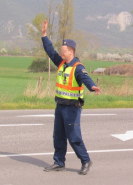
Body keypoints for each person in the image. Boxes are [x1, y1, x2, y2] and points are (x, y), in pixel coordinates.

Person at [41, 20, 101, 175]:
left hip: (72, 108)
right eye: (61, 51)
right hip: (60, 106)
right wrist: (44, 35)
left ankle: (86, 161)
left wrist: (92, 86)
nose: (61, 53)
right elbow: (50, 51)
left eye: (64, 51)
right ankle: (59, 163)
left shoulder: (78, 67)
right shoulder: (61, 63)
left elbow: (86, 79)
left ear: (71, 52)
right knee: (58, 136)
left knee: (73, 137)